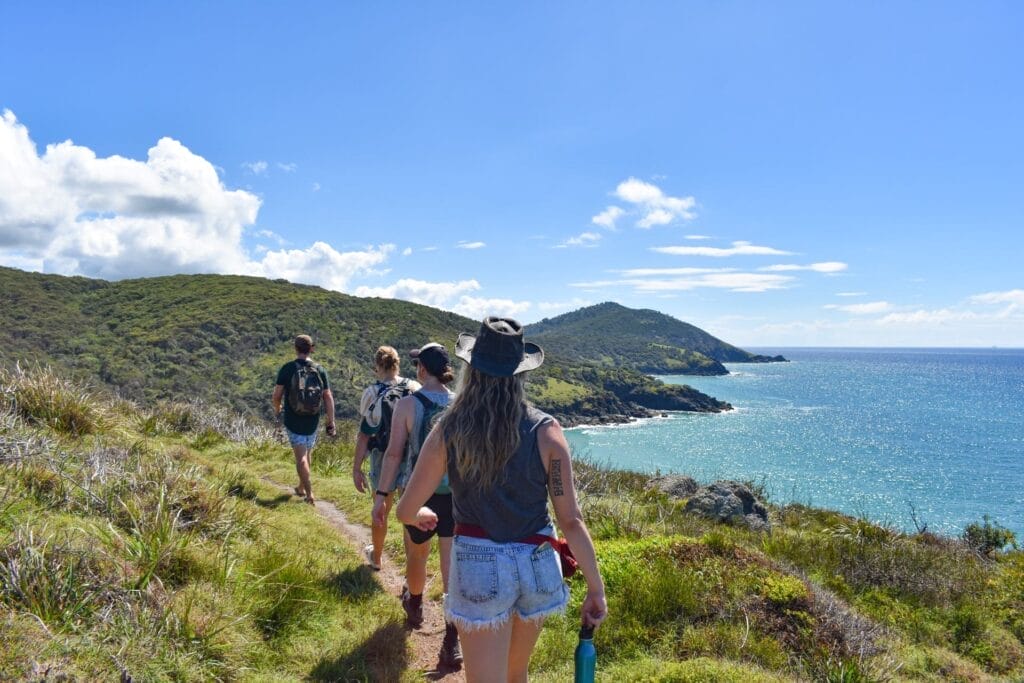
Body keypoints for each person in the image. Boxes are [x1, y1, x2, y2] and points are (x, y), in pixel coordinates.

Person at [396, 317, 607, 683]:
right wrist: (595, 589)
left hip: (478, 565)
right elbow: (571, 520)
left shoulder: (449, 428)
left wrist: (420, 514)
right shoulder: (547, 431)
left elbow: (405, 510)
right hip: (538, 563)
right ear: (520, 373)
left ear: (471, 370)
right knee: (515, 673)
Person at [372, 342, 462, 668]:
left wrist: (382, 496)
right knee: (451, 569)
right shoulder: (461, 404)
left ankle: (416, 604)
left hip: (419, 493)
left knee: (417, 555)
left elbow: (394, 454)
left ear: (422, 369)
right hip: (455, 496)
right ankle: (451, 642)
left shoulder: (408, 405)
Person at [353, 346, 420, 570]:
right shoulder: (414, 387)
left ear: (378, 366)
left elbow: (364, 434)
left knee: (381, 509)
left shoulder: (372, 393)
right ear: (397, 364)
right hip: (410, 455)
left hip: (382, 455)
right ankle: (412, 569)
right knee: (410, 513)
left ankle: (377, 558)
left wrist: (356, 468)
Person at [272, 334, 335, 505]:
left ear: (296, 348)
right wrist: (331, 421)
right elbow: (328, 397)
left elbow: (276, 396)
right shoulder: (320, 370)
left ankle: (309, 493)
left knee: (301, 458)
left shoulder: (288, 369)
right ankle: (301, 487)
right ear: (311, 349)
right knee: (307, 452)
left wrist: (278, 409)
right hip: (312, 420)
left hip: (293, 420)